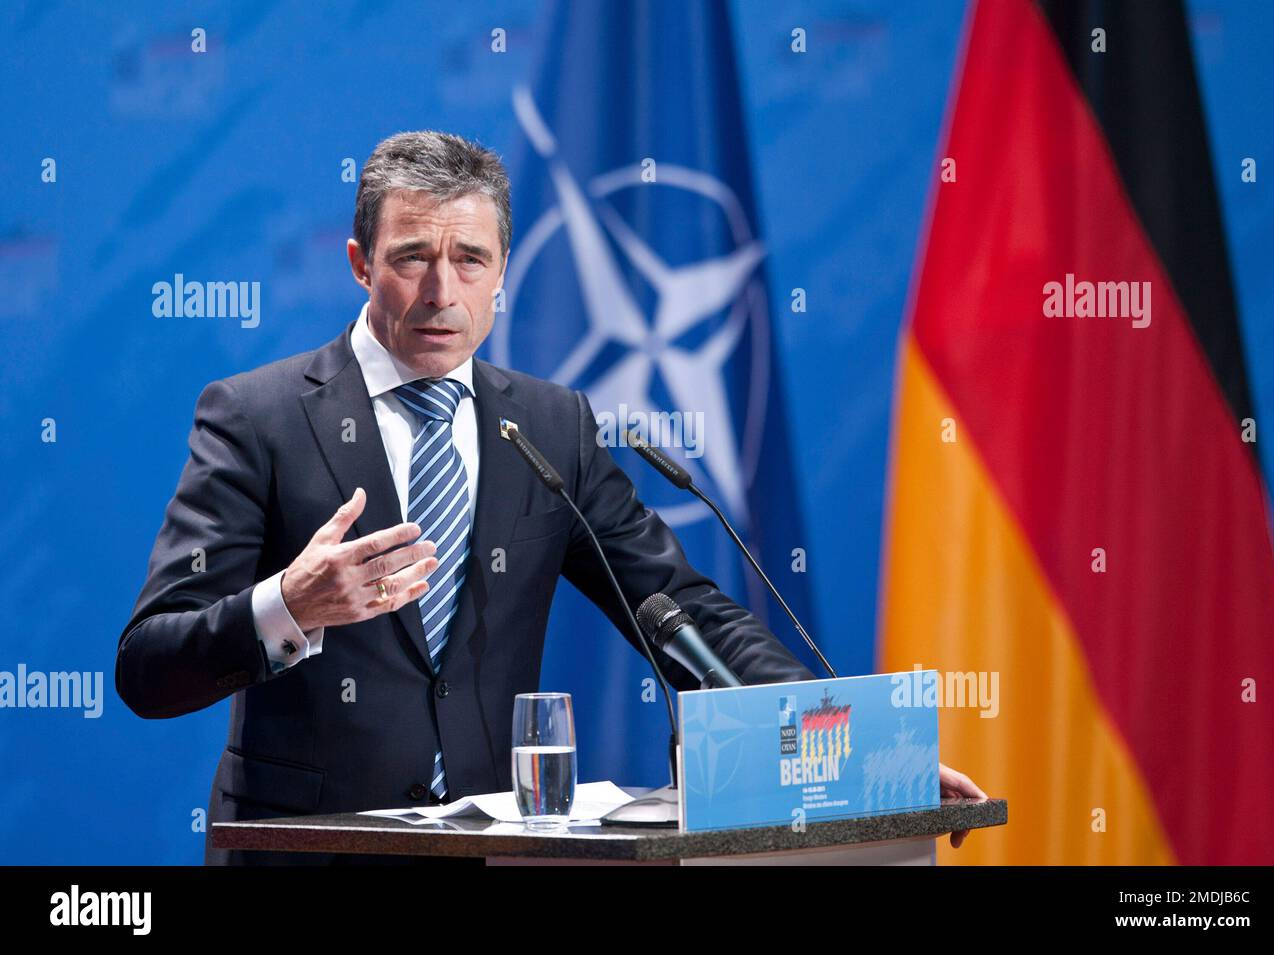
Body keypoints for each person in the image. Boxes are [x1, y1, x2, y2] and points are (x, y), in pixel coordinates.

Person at [117, 131, 984, 864]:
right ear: (358, 264)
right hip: (307, 855)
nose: (440, 292)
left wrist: (862, 753)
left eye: (469, 259)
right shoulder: (256, 416)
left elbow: (678, 610)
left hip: (497, 858)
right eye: (411, 256)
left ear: (505, 276)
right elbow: (149, 667)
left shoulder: (548, 424)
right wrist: (288, 606)